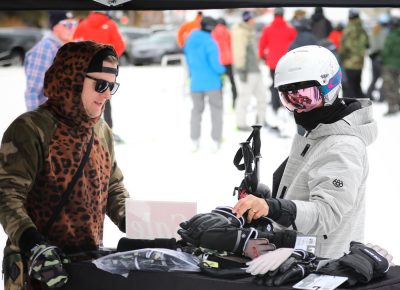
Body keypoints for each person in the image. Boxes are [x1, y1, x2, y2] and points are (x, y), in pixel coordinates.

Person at [0, 41, 129, 290]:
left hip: (85, 267)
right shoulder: (30, 129)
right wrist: (33, 243)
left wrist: (140, 223)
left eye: (111, 86)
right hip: (35, 269)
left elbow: (113, 187)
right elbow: (6, 195)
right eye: (100, 85)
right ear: (72, 79)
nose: (106, 95)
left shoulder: (101, 131)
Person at [232, 45, 377, 259]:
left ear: (330, 88)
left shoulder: (343, 146)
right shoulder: (315, 131)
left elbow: (326, 213)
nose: (299, 108)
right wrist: (268, 199)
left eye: (307, 97)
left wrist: (272, 207)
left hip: (323, 264)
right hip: (296, 254)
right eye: (289, 99)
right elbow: (305, 192)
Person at [73, 11, 126, 143]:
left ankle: (82, 131)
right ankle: (108, 132)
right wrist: (110, 62)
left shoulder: (82, 25)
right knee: (105, 100)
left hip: (85, 71)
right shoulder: (111, 25)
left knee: (84, 100)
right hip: (106, 72)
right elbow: (120, 46)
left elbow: (73, 47)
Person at [184, 16, 225, 151]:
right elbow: (216, 65)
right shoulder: (210, 43)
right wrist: (223, 70)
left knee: (196, 111)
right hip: (212, 82)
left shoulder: (190, 40)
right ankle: (215, 140)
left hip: (195, 82)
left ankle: (194, 140)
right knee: (216, 111)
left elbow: (188, 61)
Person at [24, 11, 76, 111]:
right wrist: (34, 123)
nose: (72, 28)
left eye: (74, 24)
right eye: (67, 24)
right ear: (55, 27)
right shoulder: (45, 48)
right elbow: (32, 91)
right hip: (48, 118)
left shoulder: (64, 47)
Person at [258, 7, 297, 132]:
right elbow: (295, 45)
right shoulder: (290, 29)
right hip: (287, 62)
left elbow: (261, 45)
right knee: (289, 85)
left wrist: (263, 56)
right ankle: (289, 106)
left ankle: (275, 106)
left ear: (274, 15)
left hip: (273, 63)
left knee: (276, 85)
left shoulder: (268, 29)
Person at [232, 11, 268, 131]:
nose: (255, 21)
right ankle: (240, 123)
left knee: (262, 96)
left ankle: (261, 121)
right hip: (247, 71)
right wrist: (241, 69)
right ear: (248, 19)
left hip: (255, 70)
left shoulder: (250, 31)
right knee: (244, 98)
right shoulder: (240, 32)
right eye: (253, 18)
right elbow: (239, 52)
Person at [339, 8, 369, 99]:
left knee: (348, 90)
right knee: (357, 87)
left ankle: (348, 111)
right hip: (359, 63)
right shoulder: (362, 29)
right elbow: (367, 44)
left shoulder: (348, 30)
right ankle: (362, 107)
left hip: (349, 64)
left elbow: (344, 47)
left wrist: (341, 57)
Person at [212, 18, 238, 108]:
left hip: (219, 62)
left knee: (219, 84)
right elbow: (232, 45)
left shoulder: (213, 32)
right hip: (228, 62)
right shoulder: (227, 32)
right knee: (232, 82)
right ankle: (235, 102)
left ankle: (219, 104)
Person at [366, 14, 390, 101]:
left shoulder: (374, 31)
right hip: (381, 58)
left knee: (375, 78)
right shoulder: (385, 32)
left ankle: (368, 94)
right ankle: (382, 97)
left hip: (373, 58)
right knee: (385, 78)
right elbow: (383, 46)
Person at [381, 17, 400, 115]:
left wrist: (381, 59)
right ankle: (398, 104)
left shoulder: (391, 35)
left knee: (389, 87)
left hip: (389, 65)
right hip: (398, 65)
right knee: (396, 86)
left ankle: (392, 108)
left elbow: (386, 50)